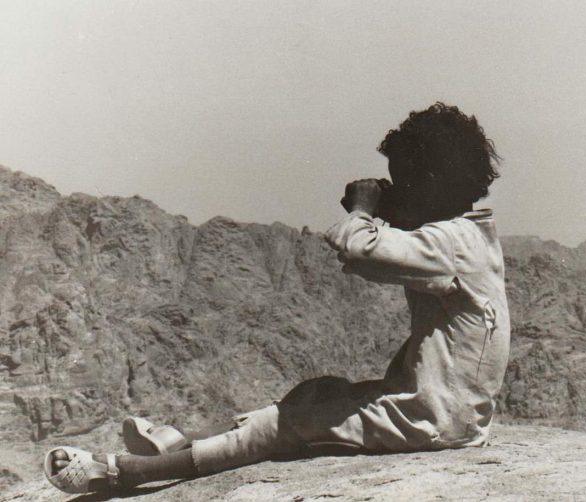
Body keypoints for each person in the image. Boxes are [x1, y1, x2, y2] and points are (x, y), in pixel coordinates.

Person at [44, 102, 511, 494]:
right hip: (444, 409)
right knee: (317, 393)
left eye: (404, 183)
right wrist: (391, 212)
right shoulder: (466, 237)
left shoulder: (451, 244)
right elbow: (401, 248)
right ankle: (181, 440)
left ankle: (125, 473)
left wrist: (364, 209)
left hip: (433, 419)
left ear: (431, 180)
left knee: (282, 426)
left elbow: (360, 249)